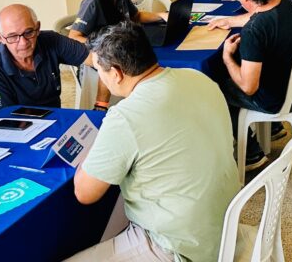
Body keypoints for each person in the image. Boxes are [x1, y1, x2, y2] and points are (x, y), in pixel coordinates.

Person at [67, 23, 238, 262]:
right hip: (225, 223)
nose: (101, 79)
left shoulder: (126, 116)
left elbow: (85, 193)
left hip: (177, 246)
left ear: (116, 73)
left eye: (99, 71)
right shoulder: (199, 78)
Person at [206, 0, 292, 168]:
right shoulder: (285, 3)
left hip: (277, 99)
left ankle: (252, 153)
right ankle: (273, 129)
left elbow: (248, 87)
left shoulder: (254, 31)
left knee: (215, 89)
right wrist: (230, 21)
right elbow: (258, 14)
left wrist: (227, 58)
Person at [68, 0, 166, 111]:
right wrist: (103, 48)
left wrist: (161, 15)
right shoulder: (92, 2)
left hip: (123, 54)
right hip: (101, 60)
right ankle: (101, 108)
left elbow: (136, 16)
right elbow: (74, 36)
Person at [0, 4, 90, 117]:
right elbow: (1, 120)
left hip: (54, 119)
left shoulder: (51, 41)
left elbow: (99, 59)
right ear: (0, 37)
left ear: (37, 28)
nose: (23, 43)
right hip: (17, 127)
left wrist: (101, 104)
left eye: (28, 32)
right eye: (12, 36)